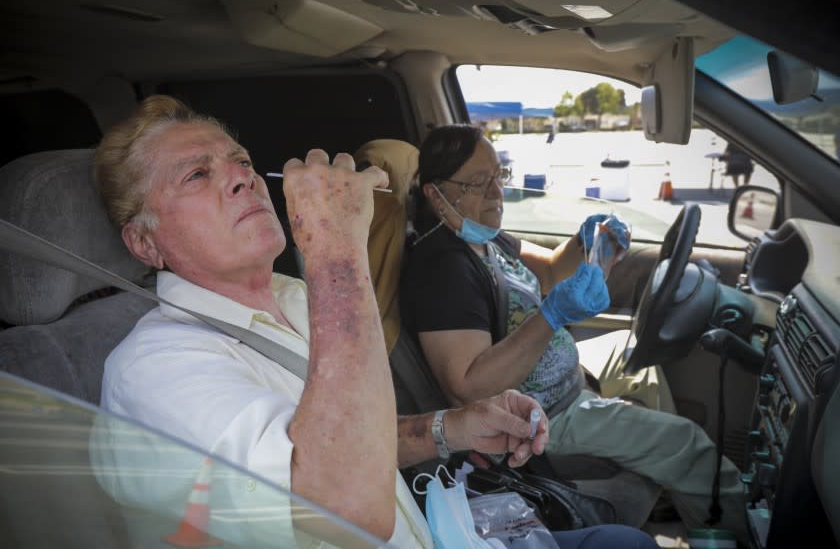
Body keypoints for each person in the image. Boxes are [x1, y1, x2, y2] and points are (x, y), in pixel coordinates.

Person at [94, 96, 656, 548]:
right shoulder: (154, 370)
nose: (242, 178)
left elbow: (345, 439)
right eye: (196, 174)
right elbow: (342, 504)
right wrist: (336, 248)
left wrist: (451, 428)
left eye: (240, 161)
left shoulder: (291, 300)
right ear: (145, 243)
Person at [401, 123, 749, 543]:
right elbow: (467, 389)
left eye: (499, 175)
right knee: (688, 444)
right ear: (436, 194)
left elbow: (547, 269)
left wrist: (587, 243)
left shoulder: (482, 237)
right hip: (545, 411)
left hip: (562, 377)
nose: (497, 192)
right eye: (478, 182)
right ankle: (733, 533)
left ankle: (666, 489)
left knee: (637, 356)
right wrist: (551, 315)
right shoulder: (444, 268)